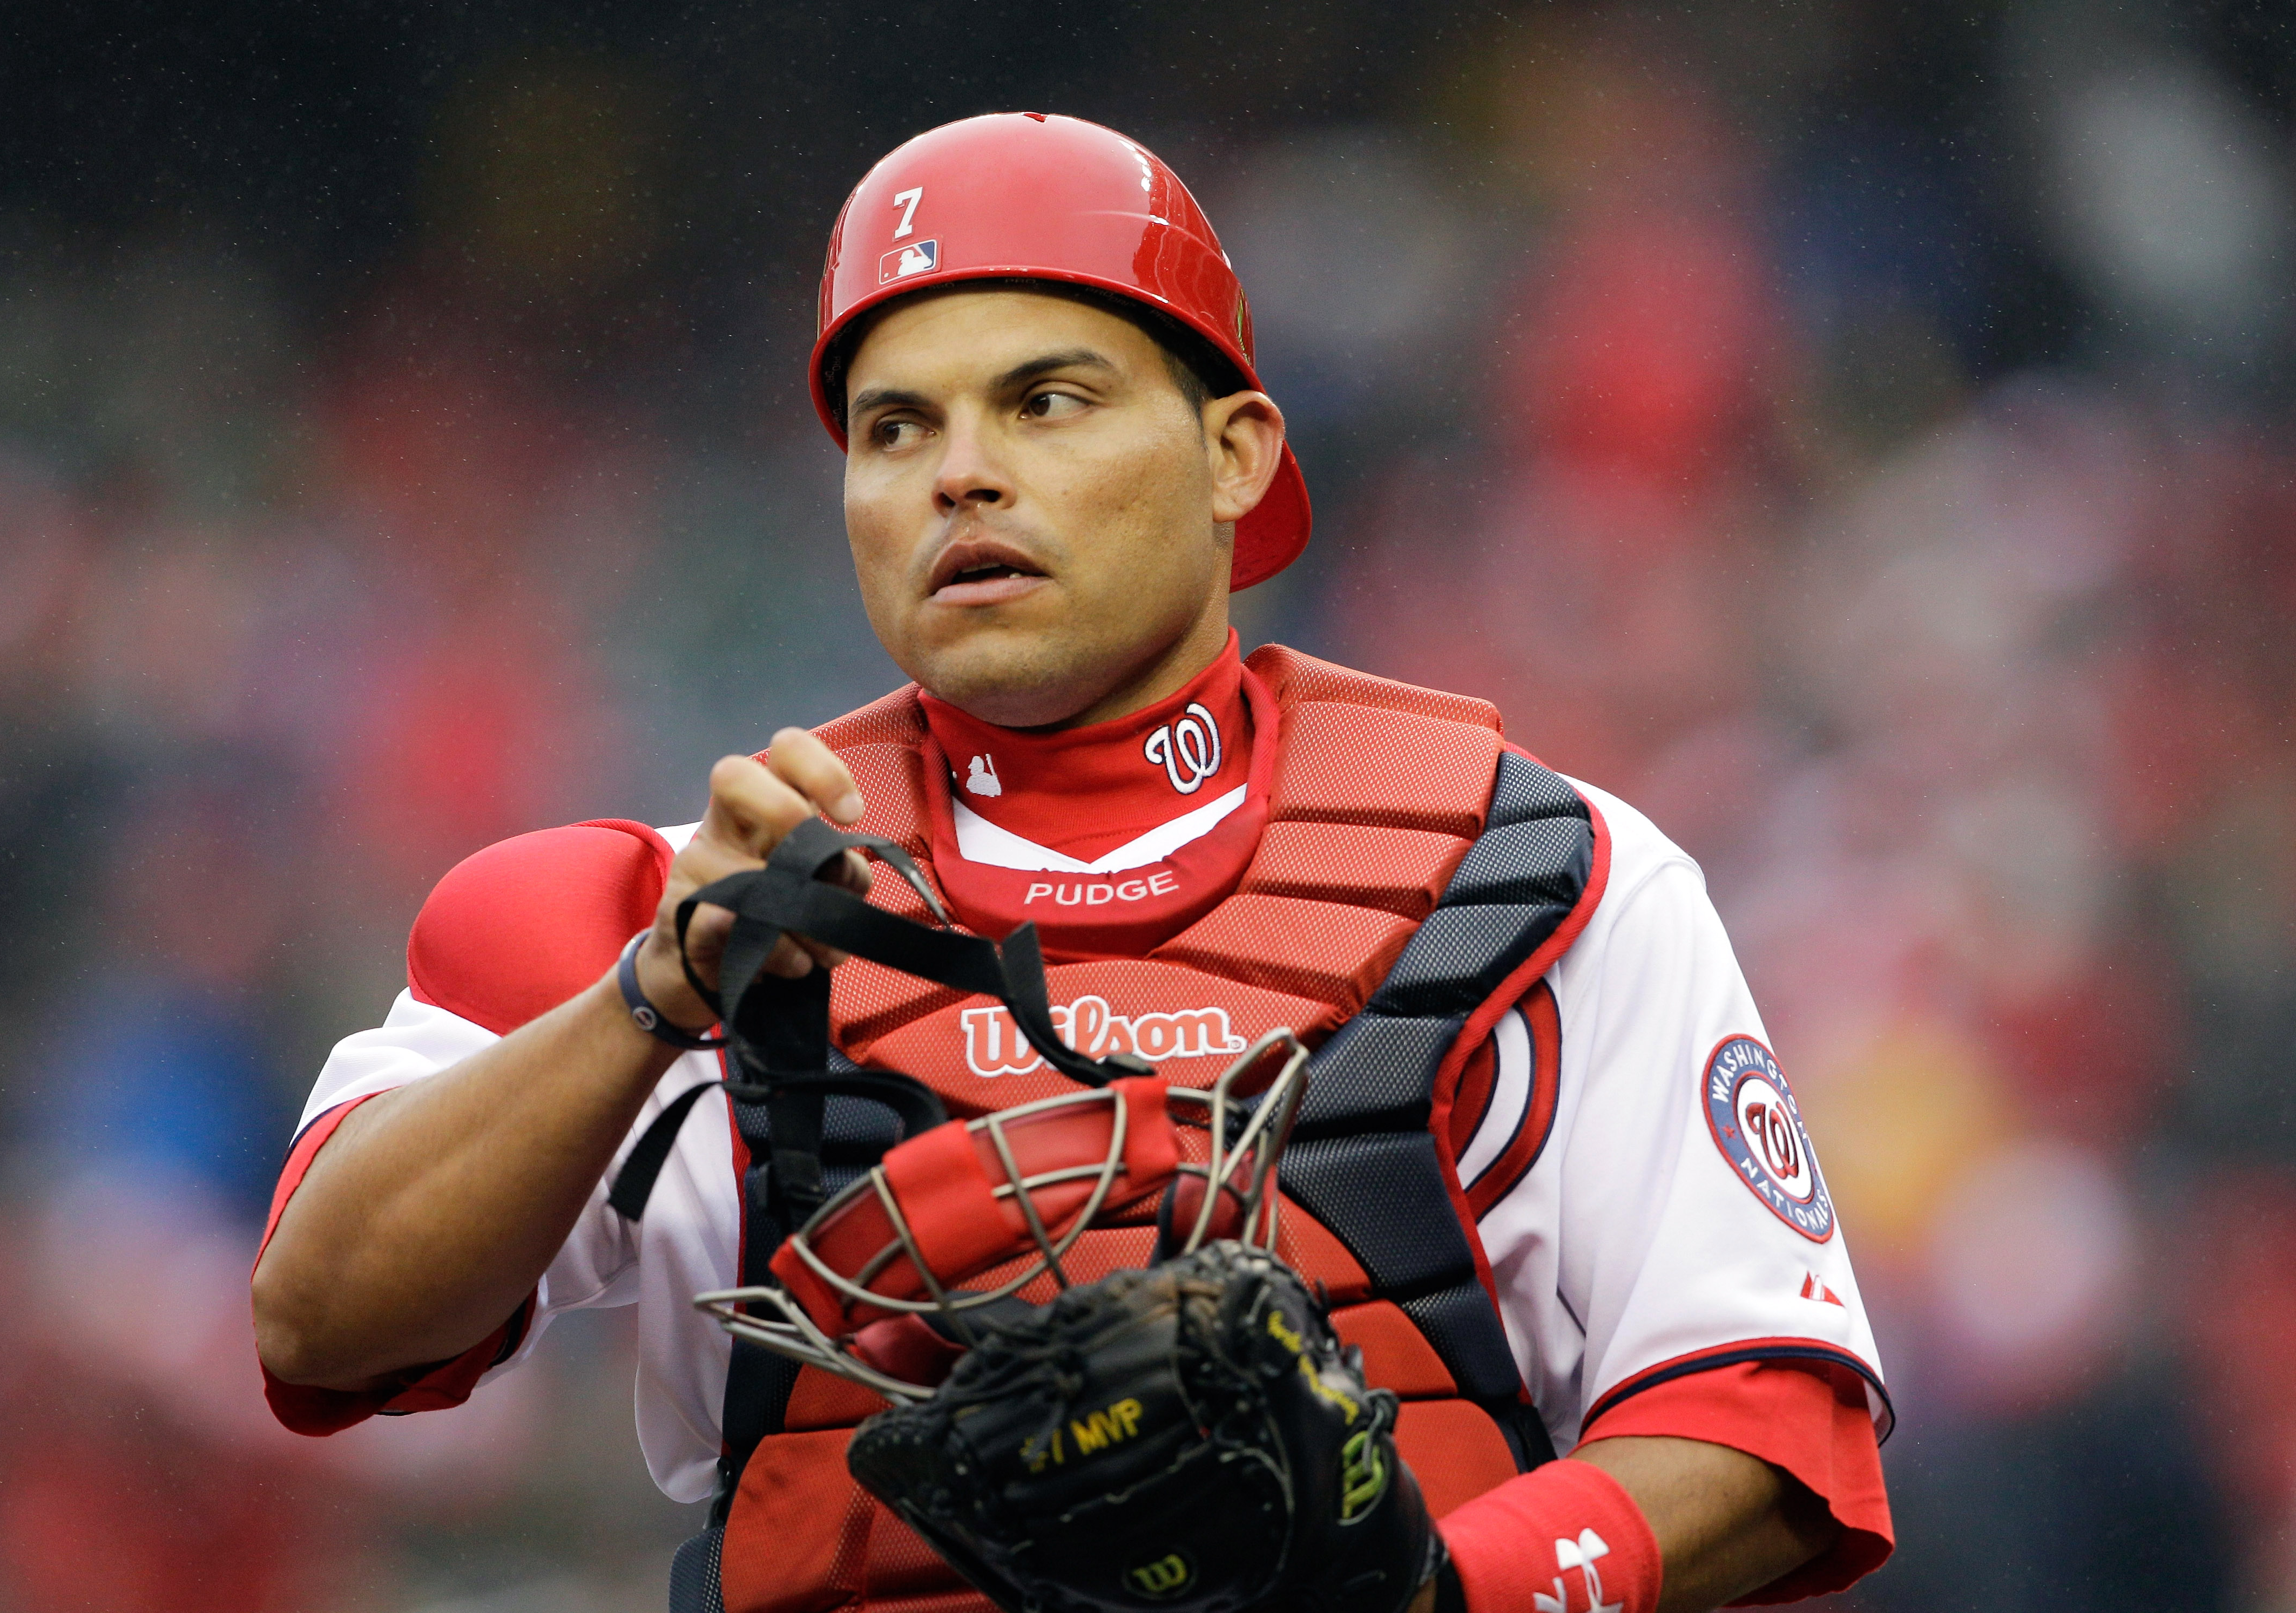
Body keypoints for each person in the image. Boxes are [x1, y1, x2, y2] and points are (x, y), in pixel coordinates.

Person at [252, 112, 1893, 1613]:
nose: (960, 469)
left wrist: (1435, 1597)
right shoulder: (677, 907)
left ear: (1237, 453)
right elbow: (320, 1329)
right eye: (896, 426)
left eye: (1048, 400)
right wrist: (649, 998)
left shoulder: (1536, 876)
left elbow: (1768, 1427)